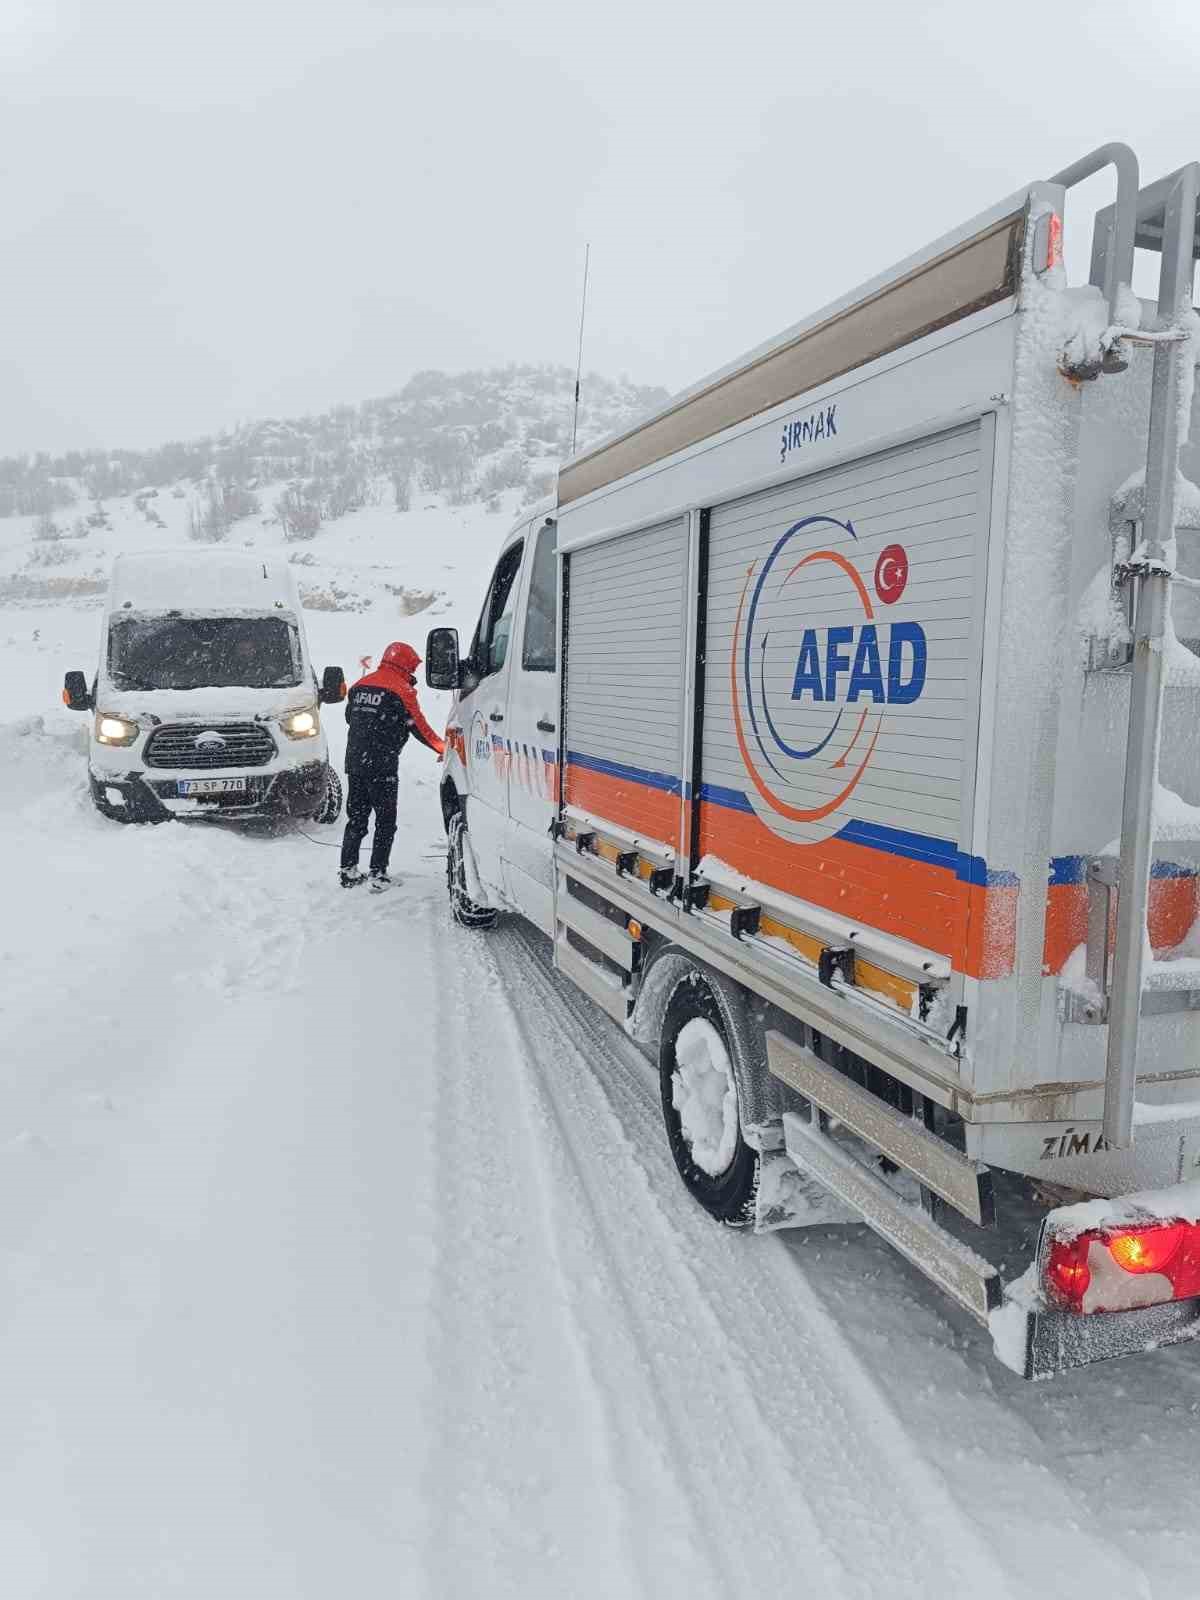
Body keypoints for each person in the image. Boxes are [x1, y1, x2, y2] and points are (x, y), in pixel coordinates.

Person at [339, 641, 445, 891]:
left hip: (355, 763)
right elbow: (419, 727)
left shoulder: (359, 686)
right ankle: (378, 873)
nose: (413, 673)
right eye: (413, 668)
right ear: (405, 664)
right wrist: (443, 748)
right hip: (382, 766)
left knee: (356, 819)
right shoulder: (400, 690)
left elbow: (349, 717)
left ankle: (348, 870)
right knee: (385, 821)